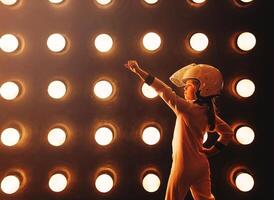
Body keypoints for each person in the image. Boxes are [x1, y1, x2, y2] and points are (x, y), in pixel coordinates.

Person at [124, 60, 234, 200]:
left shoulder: (187, 109)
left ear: (202, 89)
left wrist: (139, 71)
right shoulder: (208, 113)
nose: (184, 89)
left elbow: (163, 90)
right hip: (202, 165)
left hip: (183, 166)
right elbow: (228, 133)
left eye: (188, 85)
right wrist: (212, 150)